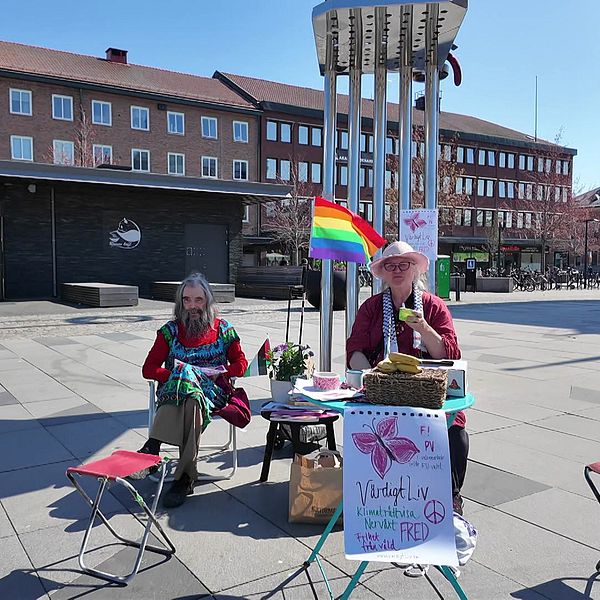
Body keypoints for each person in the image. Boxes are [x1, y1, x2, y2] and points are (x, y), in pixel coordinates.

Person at [347, 241, 469, 517]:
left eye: (404, 265)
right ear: (384, 273)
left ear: (415, 270)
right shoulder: (372, 308)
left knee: (456, 428)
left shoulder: (433, 306)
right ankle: (377, 499)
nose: (398, 270)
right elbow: (354, 351)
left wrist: (423, 327)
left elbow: (448, 353)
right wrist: (372, 377)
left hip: (427, 392)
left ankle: (450, 498)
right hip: (383, 391)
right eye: (391, 266)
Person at [140, 273, 248, 508]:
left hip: (213, 392)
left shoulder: (223, 330)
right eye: (187, 300)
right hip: (177, 394)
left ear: (208, 301)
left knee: (189, 381)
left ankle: (153, 446)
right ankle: (186, 477)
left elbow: (241, 364)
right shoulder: (169, 332)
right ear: (180, 303)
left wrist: (223, 372)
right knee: (189, 395)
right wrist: (178, 375)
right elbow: (148, 369)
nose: (192, 306)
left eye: (198, 300)